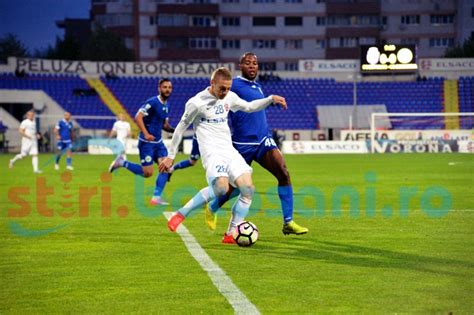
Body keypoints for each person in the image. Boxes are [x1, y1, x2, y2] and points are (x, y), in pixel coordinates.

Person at [160, 67, 288, 244]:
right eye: (222, 88)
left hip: (229, 150)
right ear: (212, 83)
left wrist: (270, 99)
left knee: (248, 189)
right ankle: (181, 214)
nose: (225, 92)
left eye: (228, 88)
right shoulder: (196, 103)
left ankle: (230, 233)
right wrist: (171, 155)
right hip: (212, 152)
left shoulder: (229, 97)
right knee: (220, 188)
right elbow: (180, 128)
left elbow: (249, 107)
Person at [208, 52, 308, 235]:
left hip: (263, 139)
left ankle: (288, 222)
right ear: (241, 66)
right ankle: (212, 207)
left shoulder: (257, 86)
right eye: (248, 63)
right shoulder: (234, 85)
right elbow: (214, 96)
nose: (252, 66)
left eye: (255, 63)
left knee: (283, 172)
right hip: (241, 143)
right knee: (235, 188)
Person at [108, 78, 175, 206]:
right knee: (147, 173)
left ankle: (156, 198)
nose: (167, 90)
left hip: (158, 143)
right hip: (146, 143)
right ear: (159, 88)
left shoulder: (167, 105)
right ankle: (122, 162)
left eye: (169, 87)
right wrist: (146, 133)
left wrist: (176, 130)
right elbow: (138, 117)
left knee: (166, 166)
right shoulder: (152, 102)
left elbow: (164, 125)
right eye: (165, 87)